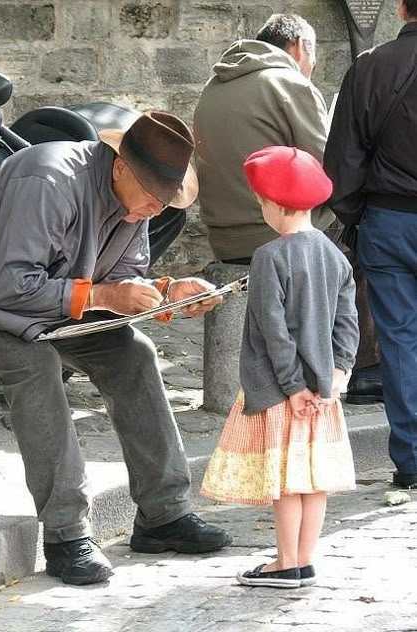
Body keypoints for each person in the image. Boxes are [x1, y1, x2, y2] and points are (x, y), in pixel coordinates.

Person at [0, 110, 232, 586]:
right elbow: (12, 286)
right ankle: (65, 533)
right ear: (120, 167)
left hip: (52, 297)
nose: (156, 211)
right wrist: (100, 295)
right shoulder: (50, 179)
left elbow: (122, 278)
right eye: (153, 198)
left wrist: (166, 291)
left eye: (165, 202)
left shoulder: (137, 203)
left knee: (132, 352)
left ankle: (164, 514)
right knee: (34, 364)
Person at [194, 12, 381, 405]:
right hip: (274, 231)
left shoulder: (213, 86)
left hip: (222, 235)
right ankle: (361, 372)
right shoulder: (289, 82)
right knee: (368, 239)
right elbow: (326, 167)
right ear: (299, 48)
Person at [201, 146, 359, 588]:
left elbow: (274, 332)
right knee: (314, 480)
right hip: (325, 394)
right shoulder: (335, 255)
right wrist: (336, 378)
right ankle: (305, 559)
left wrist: (293, 387)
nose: (260, 208)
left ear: (275, 204)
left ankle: (285, 561)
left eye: (261, 201)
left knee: (288, 481)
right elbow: (348, 323)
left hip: (281, 391)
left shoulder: (270, 257)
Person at [323, 0, 417, 489]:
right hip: (387, 216)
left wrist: (358, 218)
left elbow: (341, 161)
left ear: (402, 9)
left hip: (389, 218)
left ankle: (413, 458)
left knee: (399, 340)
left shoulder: (369, 68)